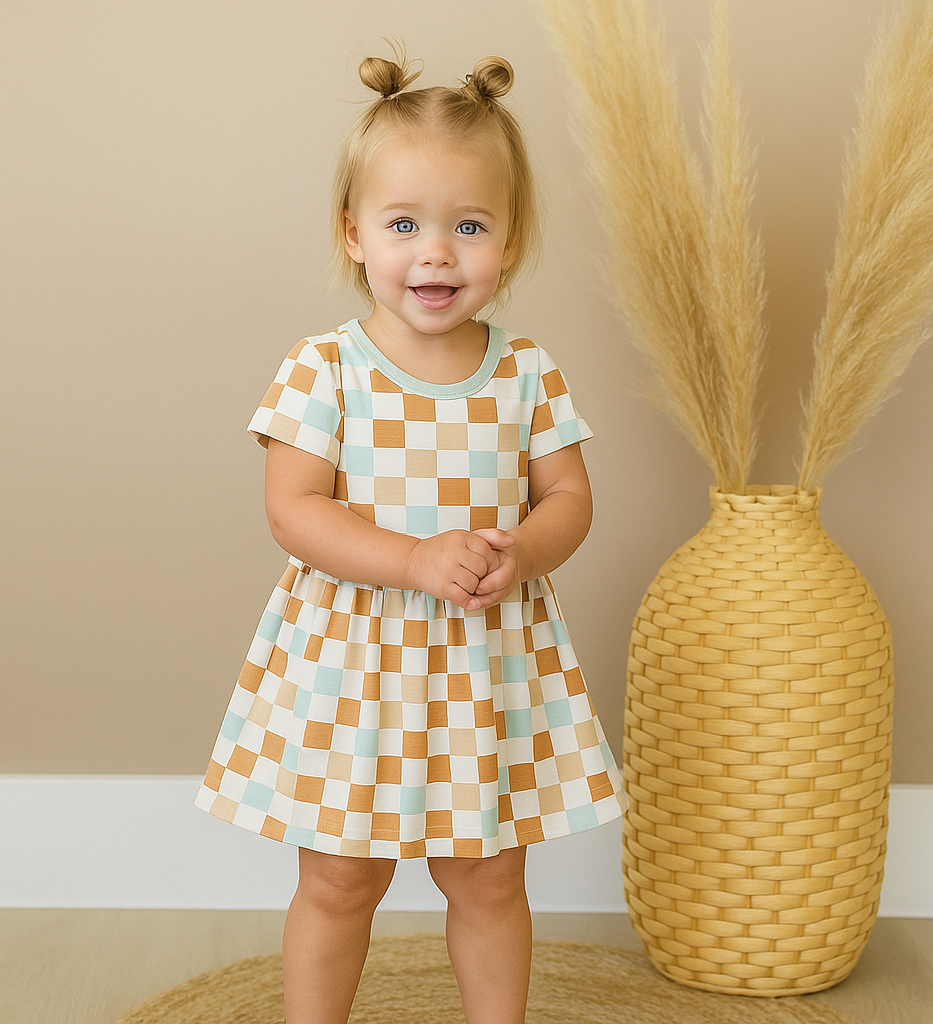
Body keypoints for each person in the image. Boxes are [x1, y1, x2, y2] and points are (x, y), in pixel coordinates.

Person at [195, 49, 626, 1024]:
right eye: (404, 226)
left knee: (486, 880)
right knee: (342, 880)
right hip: (356, 665)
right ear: (353, 234)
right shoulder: (325, 369)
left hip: (482, 665)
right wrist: (412, 560)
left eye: (468, 227)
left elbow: (568, 495)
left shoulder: (525, 372)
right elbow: (294, 509)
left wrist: (525, 549)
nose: (436, 254)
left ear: (509, 242)